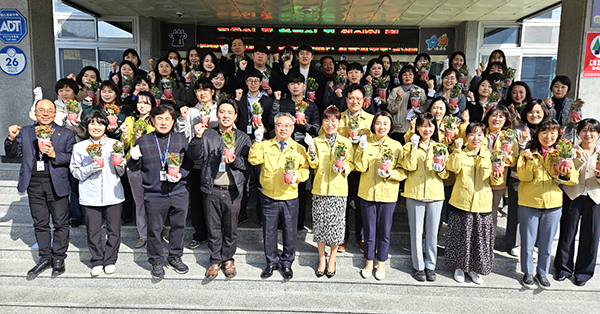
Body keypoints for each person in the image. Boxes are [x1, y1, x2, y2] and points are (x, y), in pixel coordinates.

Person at [5, 99, 76, 278]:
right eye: (41, 110)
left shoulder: (66, 134)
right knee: (40, 222)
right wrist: (11, 138)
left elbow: (71, 158)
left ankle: (59, 258)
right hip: (34, 183)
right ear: (35, 113)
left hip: (57, 183)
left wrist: (54, 154)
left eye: (49, 110)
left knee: (60, 222)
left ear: (56, 113)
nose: (45, 113)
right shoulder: (26, 132)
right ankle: (45, 257)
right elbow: (12, 154)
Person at [187, 99, 251, 279]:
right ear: (217, 115)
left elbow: (248, 165)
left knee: (230, 228)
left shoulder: (243, 138)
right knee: (213, 227)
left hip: (232, 190)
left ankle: (228, 259)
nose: (225, 115)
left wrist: (235, 161)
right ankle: (215, 260)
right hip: (211, 189)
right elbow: (194, 155)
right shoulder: (208, 134)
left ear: (236, 116)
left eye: (230, 112)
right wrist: (197, 137)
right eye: (222, 112)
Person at [128, 105, 193, 279]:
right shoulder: (143, 141)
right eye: (159, 119)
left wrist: (181, 174)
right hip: (154, 193)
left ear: (173, 121)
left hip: (178, 191)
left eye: (167, 119)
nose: (163, 122)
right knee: (154, 230)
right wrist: (133, 158)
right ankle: (156, 261)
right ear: (152, 120)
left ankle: (175, 257)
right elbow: (134, 167)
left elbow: (188, 164)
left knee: (178, 227)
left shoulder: (181, 140)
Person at [517, 119, 578, 289]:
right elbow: (523, 177)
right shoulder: (528, 153)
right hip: (529, 203)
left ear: (559, 134)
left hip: (553, 204)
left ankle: (542, 273)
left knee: (546, 243)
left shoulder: (562, 154)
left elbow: (573, 179)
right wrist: (527, 160)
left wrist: (564, 174)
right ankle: (528, 273)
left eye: (553, 132)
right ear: (537, 133)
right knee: (528, 242)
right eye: (544, 132)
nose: (548, 136)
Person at [248, 112, 310, 279]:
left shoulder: (299, 149)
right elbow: (253, 159)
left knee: (290, 231)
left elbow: (305, 170)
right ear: (274, 127)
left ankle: (287, 262)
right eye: (279, 125)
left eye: (287, 125)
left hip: (289, 196)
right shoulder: (265, 145)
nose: (283, 128)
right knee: (269, 230)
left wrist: (297, 176)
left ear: (293, 128)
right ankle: (271, 262)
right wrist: (257, 140)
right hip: (269, 195)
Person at [70, 111, 126, 276]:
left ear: (106, 126)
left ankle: (110, 260)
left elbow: (121, 172)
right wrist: (90, 168)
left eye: (100, 123)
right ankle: (96, 260)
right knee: (93, 230)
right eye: (92, 123)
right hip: (90, 195)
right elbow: (74, 171)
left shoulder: (115, 144)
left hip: (113, 194)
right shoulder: (79, 147)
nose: (96, 127)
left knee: (114, 230)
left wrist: (121, 164)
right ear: (87, 126)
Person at [354, 111, 405, 280]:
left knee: (384, 231)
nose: (381, 126)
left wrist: (391, 174)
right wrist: (361, 150)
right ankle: (369, 260)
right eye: (378, 123)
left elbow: (403, 170)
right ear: (373, 125)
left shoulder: (397, 146)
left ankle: (381, 262)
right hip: (368, 193)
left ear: (391, 126)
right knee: (369, 230)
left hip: (388, 195)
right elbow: (360, 167)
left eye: (385, 123)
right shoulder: (365, 143)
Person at [305, 106, 354, 278]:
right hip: (319, 188)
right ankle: (321, 258)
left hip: (338, 190)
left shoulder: (345, 142)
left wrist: (343, 168)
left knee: (336, 227)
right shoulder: (317, 141)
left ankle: (332, 258)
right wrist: (311, 149)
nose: (330, 124)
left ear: (339, 122)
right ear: (322, 122)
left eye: (334, 120)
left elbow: (351, 163)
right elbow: (313, 164)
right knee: (320, 225)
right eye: (327, 120)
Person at [445, 122, 494, 285]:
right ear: (466, 137)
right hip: (462, 201)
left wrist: (482, 156)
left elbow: (492, 176)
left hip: (483, 202)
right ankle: (459, 267)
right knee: (461, 237)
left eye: (480, 134)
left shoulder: (489, 154)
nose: (476, 138)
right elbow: (453, 167)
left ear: (484, 137)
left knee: (477, 238)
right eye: (472, 134)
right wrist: (457, 150)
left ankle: (474, 269)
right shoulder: (460, 152)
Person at [402, 112, 448, 282]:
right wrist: (414, 148)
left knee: (432, 234)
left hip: (435, 195)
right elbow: (408, 166)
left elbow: (445, 175)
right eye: (423, 125)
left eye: (430, 125)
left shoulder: (440, 147)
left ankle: (431, 265)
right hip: (414, 193)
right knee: (416, 232)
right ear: (417, 127)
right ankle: (419, 266)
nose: (426, 129)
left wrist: (441, 168)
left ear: (435, 127)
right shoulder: (409, 146)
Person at [555, 118, 600, 286]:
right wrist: (578, 159)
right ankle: (563, 268)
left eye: (592, 130)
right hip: (572, 195)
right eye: (584, 130)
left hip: (595, 197)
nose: (588, 134)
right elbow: (564, 174)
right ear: (578, 133)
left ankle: (584, 272)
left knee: (591, 235)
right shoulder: (569, 150)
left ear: (598, 133)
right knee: (567, 233)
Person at [274, 72, 320, 230]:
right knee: (281, 182)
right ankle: (280, 221)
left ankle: (298, 222)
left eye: (299, 83)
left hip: (301, 149)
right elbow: (275, 122)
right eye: (292, 83)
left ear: (304, 86)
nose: (295, 86)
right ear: (288, 86)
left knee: (299, 185)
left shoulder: (311, 105)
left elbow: (317, 129)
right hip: (282, 148)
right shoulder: (282, 104)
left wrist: (304, 125)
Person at [505, 100, 549, 256]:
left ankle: (534, 242)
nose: (534, 115)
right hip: (518, 177)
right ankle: (514, 242)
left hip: (541, 179)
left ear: (544, 113)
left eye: (538, 112)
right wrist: (523, 141)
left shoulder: (549, 131)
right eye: (531, 112)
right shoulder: (516, 131)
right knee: (516, 210)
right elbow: (512, 156)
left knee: (537, 211)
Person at [336, 84, 374, 253]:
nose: (354, 101)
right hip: (343, 167)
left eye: (358, 98)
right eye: (351, 98)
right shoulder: (338, 117)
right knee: (342, 203)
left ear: (364, 100)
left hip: (362, 168)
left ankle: (361, 237)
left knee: (361, 204)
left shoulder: (371, 119)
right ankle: (342, 237)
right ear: (346, 99)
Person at [119, 91, 156, 248]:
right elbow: (125, 145)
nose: (142, 105)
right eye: (140, 102)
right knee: (139, 200)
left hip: (152, 165)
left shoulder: (155, 120)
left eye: (146, 103)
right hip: (133, 164)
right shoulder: (130, 119)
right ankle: (143, 234)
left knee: (154, 200)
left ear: (152, 105)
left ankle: (155, 231)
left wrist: (144, 136)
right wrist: (126, 134)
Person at [482, 105, 518, 229]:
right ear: (488, 117)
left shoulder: (509, 137)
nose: (497, 119)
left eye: (501, 116)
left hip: (497, 181)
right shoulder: (479, 132)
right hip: (478, 179)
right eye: (494, 115)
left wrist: (504, 158)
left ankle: (488, 245)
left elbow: (514, 161)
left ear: (506, 121)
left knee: (491, 214)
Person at [387, 65, 428, 144]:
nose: (407, 77)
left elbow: (425, 110)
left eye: (410, 74)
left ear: (414, 76)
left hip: (415, 129)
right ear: (401, 77)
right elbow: (391, 109)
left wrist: (418, 107)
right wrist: (398, 99)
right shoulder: (395, 90)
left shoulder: (420, 91)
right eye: (404, 75)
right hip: (399, 129)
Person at [285, 44, 327, 113]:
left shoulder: (318, 75)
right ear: (297, 57)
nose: (304, 56)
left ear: (312, 57)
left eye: (307, 54)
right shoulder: (291, 72)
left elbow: (321, 92)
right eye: (302, 54)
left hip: (312, 106)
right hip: (293, 105)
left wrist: (313, 102)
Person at [544, 76, 579, 142]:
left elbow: (575, 127)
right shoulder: (545, 103)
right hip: (547, 138)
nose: (559, 90)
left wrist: (575, 122)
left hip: (566, 139)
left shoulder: (574, 104)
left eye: (563, 87)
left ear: (567, 89)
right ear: (551, 88)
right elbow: (543, 123)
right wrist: (548, 108)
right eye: (556, 86)